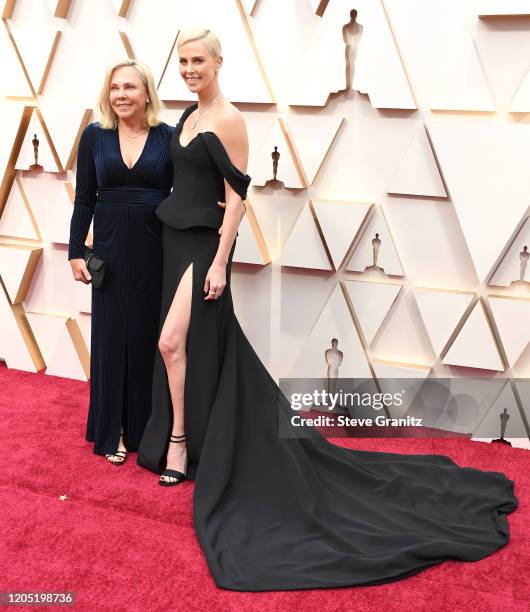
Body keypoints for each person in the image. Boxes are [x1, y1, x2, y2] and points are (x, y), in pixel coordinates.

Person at [137, 28, 518, 592]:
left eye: (200, 60)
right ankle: (184, 439)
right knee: (182, 347)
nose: (190, 68)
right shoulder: (187, 117)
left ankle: (178, 443)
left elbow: (239, 195)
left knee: (172, 342)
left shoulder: (229, 119)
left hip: (202, 247)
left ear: (219, 62)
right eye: (184, 61)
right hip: (173, 240)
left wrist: (221, 262)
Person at [68, 59, 174, 465]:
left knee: (146, 338)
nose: (121, 95)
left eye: (130, 87)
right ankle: (110, 428)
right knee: (111, 339)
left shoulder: (169, 136)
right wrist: (76, 250)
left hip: (155, 249)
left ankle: (143, 429)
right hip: (108, 251)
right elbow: (84, 199)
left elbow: (184, 192)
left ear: (147, 93)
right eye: (115, 88)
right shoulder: (95, 137)